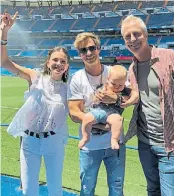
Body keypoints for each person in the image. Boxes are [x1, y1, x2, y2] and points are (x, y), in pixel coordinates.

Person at [121, 15, 174, 196]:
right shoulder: (132, 68)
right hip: (144, 143)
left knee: (171, 193)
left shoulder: (171, 58)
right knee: (152, 190)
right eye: (127, 36)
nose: (132, 40)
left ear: (146, 35)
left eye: (136, 34)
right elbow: (135, 96)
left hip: (171, 143)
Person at [1, 12, 70, 196]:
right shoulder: (35, 77)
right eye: (55, 60)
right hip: (30, 142)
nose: (58, 63)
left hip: (54, 143)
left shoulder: (68, 89)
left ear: (67, 66)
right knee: (29, 191)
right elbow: (4, 62)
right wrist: (4, 32)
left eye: (63, 61)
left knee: (55, 190)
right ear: (48, 62)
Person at [68, 32, 129, 196]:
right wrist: (101, 124)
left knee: (117, 190)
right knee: (87, 190)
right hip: (90, 147)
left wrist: (115, 98)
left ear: (99, 49)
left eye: (91, 48)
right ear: (79, 54)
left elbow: (132, 97)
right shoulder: (77, 78)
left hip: (114, 146)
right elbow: (74, 112)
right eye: (83, 50)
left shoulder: (114, 72)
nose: (88, 53)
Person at [79, 64, 138, 150]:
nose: (117, 87)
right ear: (108, 80)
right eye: (113, 84)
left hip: (113, 114)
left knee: (118, 120)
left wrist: (129, 101)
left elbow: (136, 95)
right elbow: (94, 98)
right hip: (99, 110)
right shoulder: (104, 87)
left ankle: (114, 139)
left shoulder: (125, 90)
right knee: (87, 118)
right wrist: (98, 96)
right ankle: (85, 137)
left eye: (120, 85)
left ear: (125, 82)